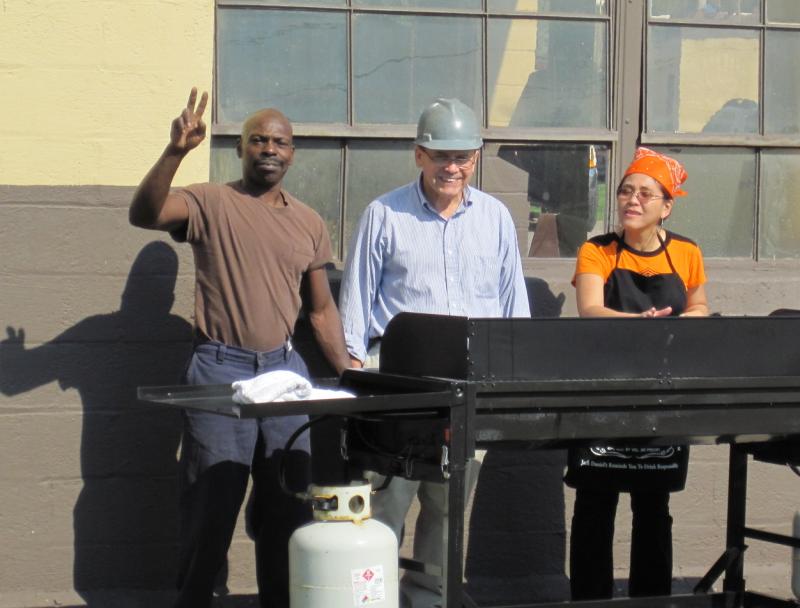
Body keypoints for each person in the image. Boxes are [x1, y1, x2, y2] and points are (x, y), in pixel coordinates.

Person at [129, 88, 351, 608]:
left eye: (280, 142)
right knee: (211, 507)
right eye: (258, 140)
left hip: (284, 373)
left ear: (292, 153)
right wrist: (176, 151)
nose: (269, 149)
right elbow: (146, 213)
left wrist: (349, 375)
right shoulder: (209, 201)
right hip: (219, 369)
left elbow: (320, 311)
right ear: (240, 148)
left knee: (287, 508)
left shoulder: (308, 221)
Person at [339, 98, 531, 608]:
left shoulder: (495, 219)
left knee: (449, 507)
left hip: (470, 386)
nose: (452, 167)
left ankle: (430, 599)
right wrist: (357, 382)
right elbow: (354, 307)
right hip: (398, 385)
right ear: (419, 155)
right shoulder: (384, 214)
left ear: (476, 157)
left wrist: (511, 386)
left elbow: (513, 308)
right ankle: (373, 600)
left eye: (462, 156)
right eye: (441, 155)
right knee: (384, 502)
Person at [566, 147, 709, 600]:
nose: (632, 200)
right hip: (603, 390)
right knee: (594, 502)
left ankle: (652, 599)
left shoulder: (686, 252)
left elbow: (700, 306)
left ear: (666, 207)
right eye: (626, 191)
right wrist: (642, 324)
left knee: (654, 505)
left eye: (646, 194)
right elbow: (590, 309)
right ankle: (589, 601)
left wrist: (682, 323)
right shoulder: (597, 250)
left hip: (659, 393)